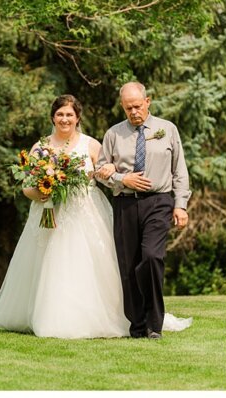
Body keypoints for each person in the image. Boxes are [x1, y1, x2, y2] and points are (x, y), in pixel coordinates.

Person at [0, 95, 131, 339]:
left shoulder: (91, 145)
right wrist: (42, 193)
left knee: (85, 262)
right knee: (48, 261)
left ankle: (88, 316)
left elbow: (106, 175)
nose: (65, 119)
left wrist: (112, 169)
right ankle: (47, 315)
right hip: (49, 213)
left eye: (69, 115)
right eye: (60, 114)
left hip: (84, 213)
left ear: (77, 118)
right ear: (53, 117)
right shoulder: (40, 147)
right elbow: (26, 187)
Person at [95, 82, 191, 339]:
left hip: (159, 202)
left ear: (148, 101)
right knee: (128, 266)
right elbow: (101, 171)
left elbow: (179, 170)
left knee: (151, 257)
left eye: (138, 106)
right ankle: (137, 326)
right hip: (125, 203)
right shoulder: (113, 134)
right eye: (128, 108)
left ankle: (154, 323)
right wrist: (121, 179)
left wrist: (180, 205)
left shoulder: (167, 129)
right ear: (122, 107)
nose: (134, 112)